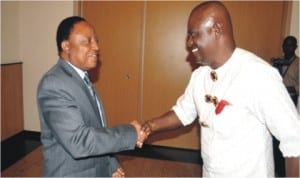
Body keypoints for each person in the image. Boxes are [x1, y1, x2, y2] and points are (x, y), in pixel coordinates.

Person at [141, 1, 300, 177]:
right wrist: (151, 125)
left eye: (193, 34)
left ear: (216, 29)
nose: (188, 42)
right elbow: (183, 112)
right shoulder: (200, 76)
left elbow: (294, 141)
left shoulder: (258, 75)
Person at [37, 16, 146, 177]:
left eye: (96, 41)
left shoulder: (81, 79)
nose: (96, 47)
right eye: (87, 41)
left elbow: (95, 129)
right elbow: (78, 141)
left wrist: (110, 163)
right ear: (66, 46)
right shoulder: (54, 84)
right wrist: (131, 133)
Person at [272, 36, 299, 106]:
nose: (287, 48)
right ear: (283, 46)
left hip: (291, 97)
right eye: (285, 45)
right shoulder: (278, 61)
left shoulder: (298, 63)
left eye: (290, 45)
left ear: (295, 47)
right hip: (277, 96)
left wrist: (291, 89)